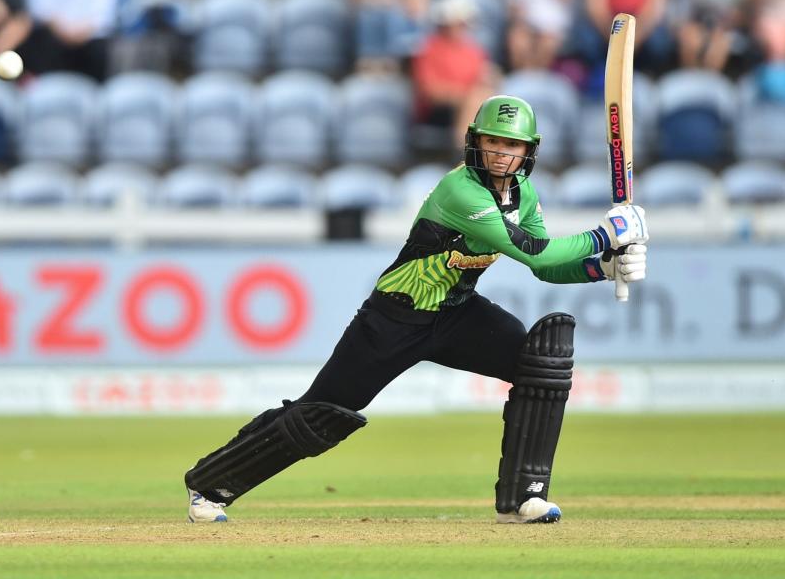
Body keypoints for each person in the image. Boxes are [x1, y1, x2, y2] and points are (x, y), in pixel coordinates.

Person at [183, 95, 649, 524]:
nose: (502, 153)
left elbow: (548, 270)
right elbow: (535, 251)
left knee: (538, 364)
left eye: (513, 144)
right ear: (474, 142)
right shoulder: (460, 192)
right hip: (393, 318)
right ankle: (210, 485)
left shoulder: (523, 196)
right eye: (493, 141)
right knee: (323, 414)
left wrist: (602, 267)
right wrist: (605, 234)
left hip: (458, 314)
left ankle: (523, 496)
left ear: (530, 150)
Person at [412, 0, 495, 148]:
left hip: (471, 104)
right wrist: (464, 95)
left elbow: (484, 80)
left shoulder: (474, 50)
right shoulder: (429, 48)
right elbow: (430, 92)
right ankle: (466, 152)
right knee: (475, 101)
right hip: (438, 111)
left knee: (483, 99)